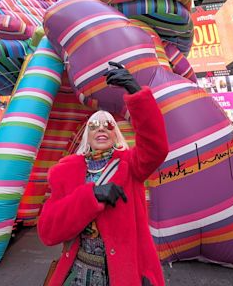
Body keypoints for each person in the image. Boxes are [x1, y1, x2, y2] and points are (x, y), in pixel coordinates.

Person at [38, 62, 169, 286]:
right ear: (86, 136)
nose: (100, 129)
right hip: (76, 273)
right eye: (94, 126)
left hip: (122, 275)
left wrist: (137, 94)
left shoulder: (131, 164)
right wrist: (91, 197)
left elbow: (156, 148)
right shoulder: (64, 171)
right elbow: (48, 230)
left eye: (107, 125)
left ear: (115, 134)